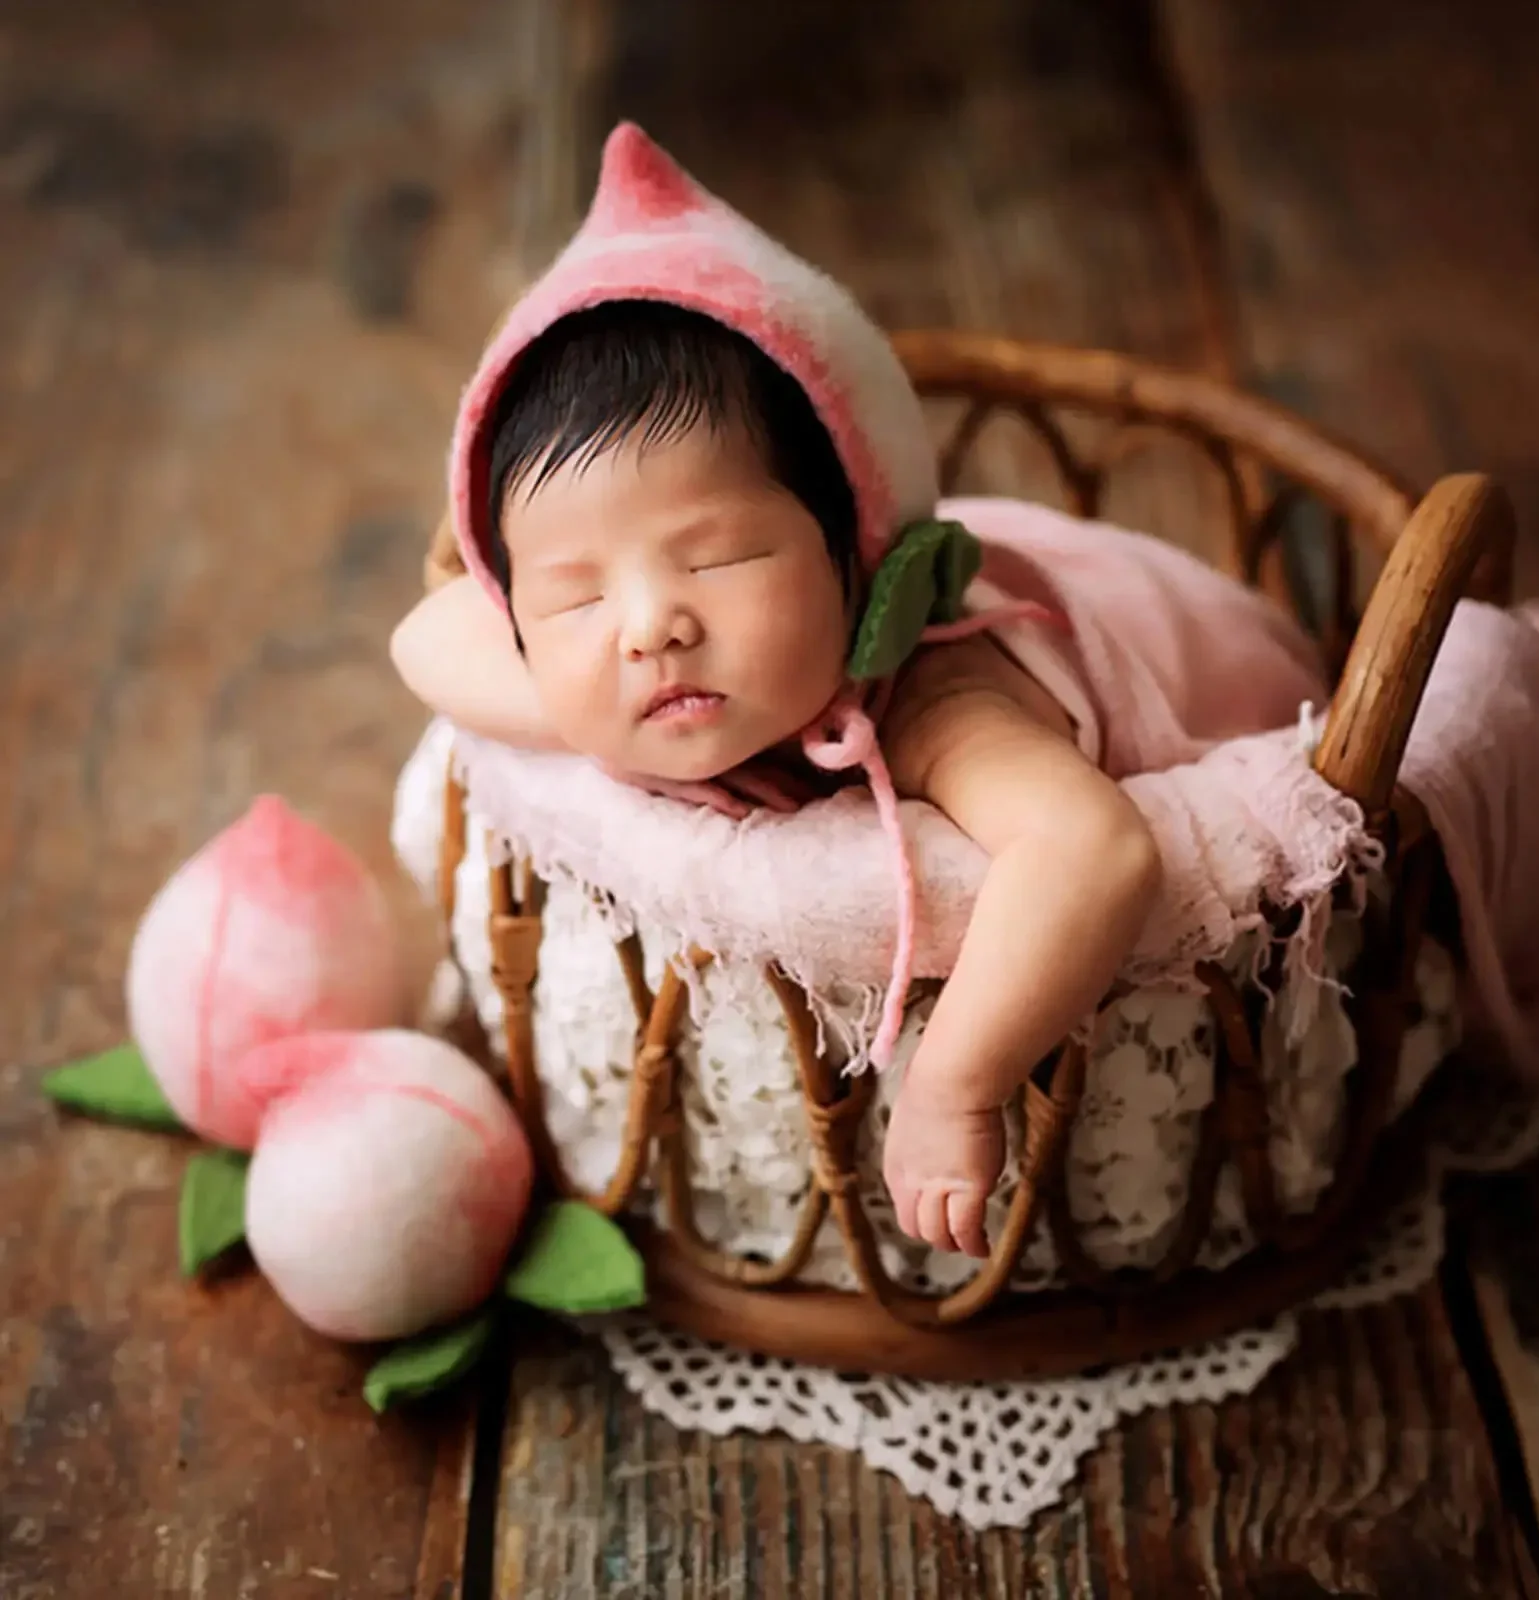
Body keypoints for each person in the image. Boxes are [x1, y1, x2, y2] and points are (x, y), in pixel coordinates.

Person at [391, 123, 1326, 1260]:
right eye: (576, 598)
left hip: (1225, 674)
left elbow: (1096, 851)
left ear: (862, 554)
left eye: (719, 557)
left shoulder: (939, 693)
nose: (649, 628)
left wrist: (957, 1082)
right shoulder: (620, 657)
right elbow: (427, 634)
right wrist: (588, 714)